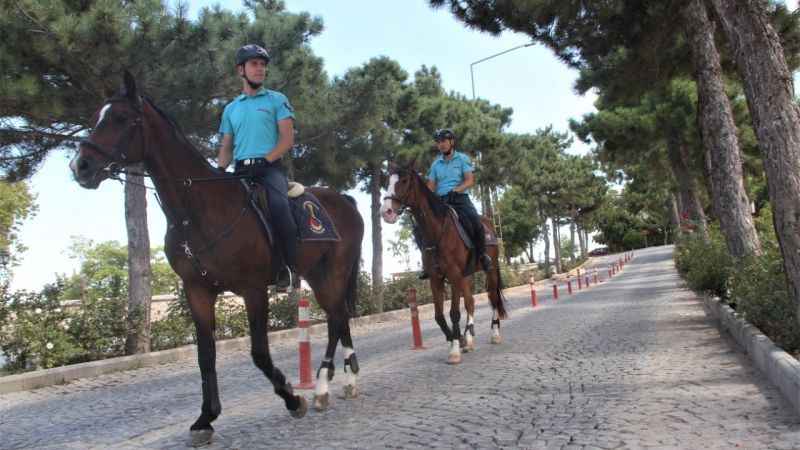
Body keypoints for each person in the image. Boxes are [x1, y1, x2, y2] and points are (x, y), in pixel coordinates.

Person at [217, 44, 297, 290]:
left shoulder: (277, 100)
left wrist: (266, 160)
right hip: (240, 170)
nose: (260, 69)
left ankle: (287, 268)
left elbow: (287, 139)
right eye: (254, 64)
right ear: (241, 70)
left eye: (262, 65)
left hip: (269, 169)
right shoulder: (231, 108)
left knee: (279, 206)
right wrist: (219, 170)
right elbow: (227, 147)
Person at [417, 128, 492, 279]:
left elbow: (470, 180)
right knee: (420, 228)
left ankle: (483, 256)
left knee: (475, 222)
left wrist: (456, 190)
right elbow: (431, 186)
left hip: (459, 198)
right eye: (438, 142)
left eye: (444, 141)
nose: (441, 145)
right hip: (440, 201)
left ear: (451, 142)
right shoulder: (435, 164)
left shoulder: (462, 159)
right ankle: (428, 264)